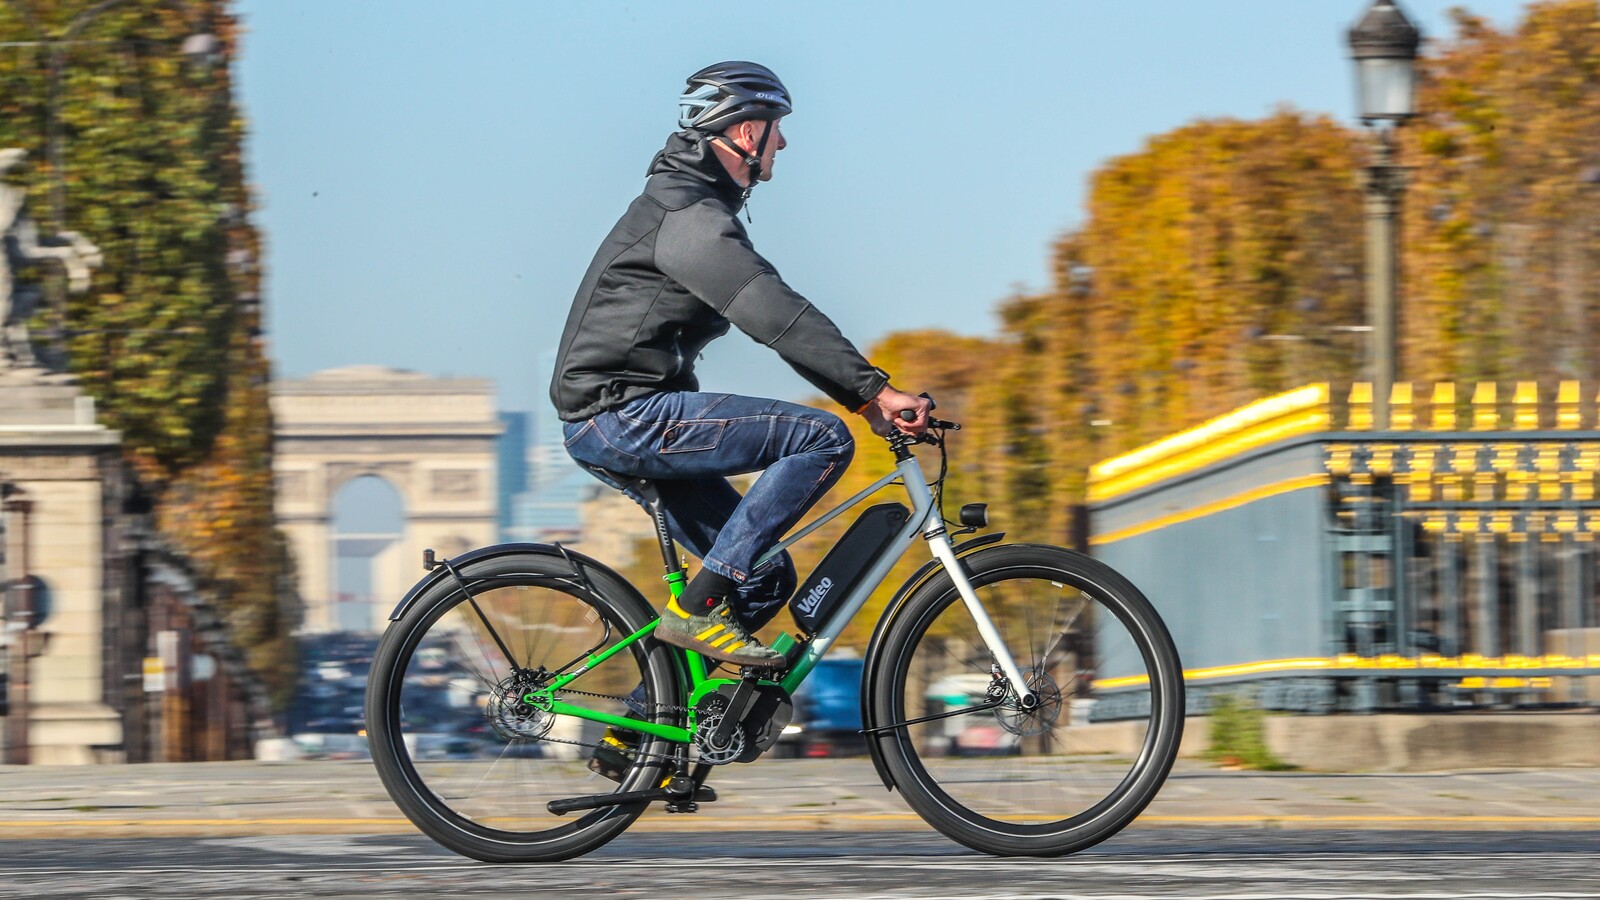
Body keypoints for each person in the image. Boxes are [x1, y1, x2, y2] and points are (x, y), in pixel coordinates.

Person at [550, 61, 930, 672]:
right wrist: (872, 393)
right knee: (821, 437)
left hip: (623, 416)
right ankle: (698, 610)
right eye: (777, 128)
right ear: (748, 133)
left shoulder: (692, 207)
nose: (784, 141)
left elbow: (773, 316)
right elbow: (772, 313)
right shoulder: (687, 220)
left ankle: (640, 733)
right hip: (621, 417)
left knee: (762, 577)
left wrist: (864, 398)